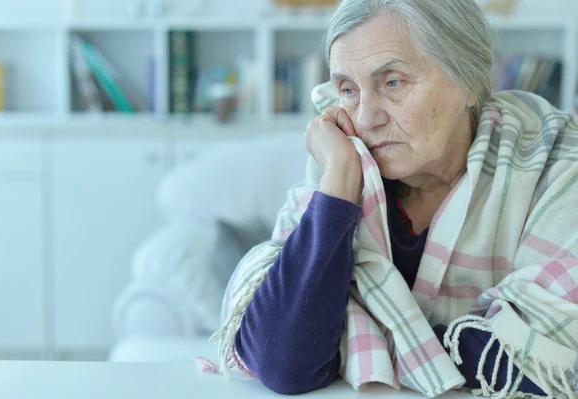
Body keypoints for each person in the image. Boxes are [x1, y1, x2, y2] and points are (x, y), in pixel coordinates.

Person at [209, 0, 578, 397]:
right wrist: (338, 185)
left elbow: (550, 357)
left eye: (393, 82)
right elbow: (282, 358)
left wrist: (356, 348)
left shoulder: (555, 167)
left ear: (469, 80)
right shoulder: (340, 161)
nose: (366, 118)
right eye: (348, 89)